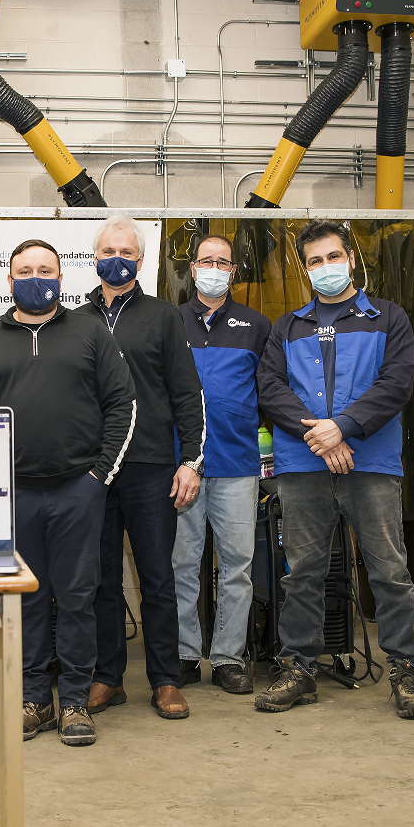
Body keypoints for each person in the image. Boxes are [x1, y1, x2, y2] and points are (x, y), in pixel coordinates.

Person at [0, 239, 136, 747]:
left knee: (78, 598)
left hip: (79, 488)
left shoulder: (89, 331)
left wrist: (99, 476)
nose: (37, 278)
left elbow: (122, 403)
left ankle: (75, 700)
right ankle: (34, 698)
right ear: (9, 281)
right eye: (26, 271)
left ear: (62, 276)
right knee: (26, 600)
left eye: (46, 270)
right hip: (13, 495)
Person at [256, 220, 414, 719]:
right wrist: (321, 434)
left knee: (390, 570)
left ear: (351, 258)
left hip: (370, 463)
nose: (325, 267)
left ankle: (406, 668)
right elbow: (270, 388)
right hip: (303, 464)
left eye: (333, 257)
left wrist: (345, 427)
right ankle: (299, 668)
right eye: (315, 261)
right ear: (305, 269)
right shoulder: (286, 327)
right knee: (302, 572)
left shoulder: (389, 318)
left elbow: (396, 383)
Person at [76, 215, 205, 722]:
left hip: (152, 467)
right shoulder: (75, 320)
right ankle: (108, 677)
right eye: (109, 250)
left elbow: (187, 395)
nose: (118, 258)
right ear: (94, 258)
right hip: (93, 471)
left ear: (141, 259)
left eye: (127, 251)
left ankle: (166, 679)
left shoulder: (163, 317)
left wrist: (190, 461)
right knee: (101, 581)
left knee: (157, 579)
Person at [171, 234, 271, 695]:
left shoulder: (256, 326)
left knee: (237, 566)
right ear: (192, 269)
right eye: (206, 261)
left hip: (237, 463)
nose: (215, 268)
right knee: (181, 563)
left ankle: (229, 657)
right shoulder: (170, 322)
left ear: (234, 271)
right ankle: (186, 654)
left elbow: (270, 394)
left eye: (224, 262)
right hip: (182, 465)